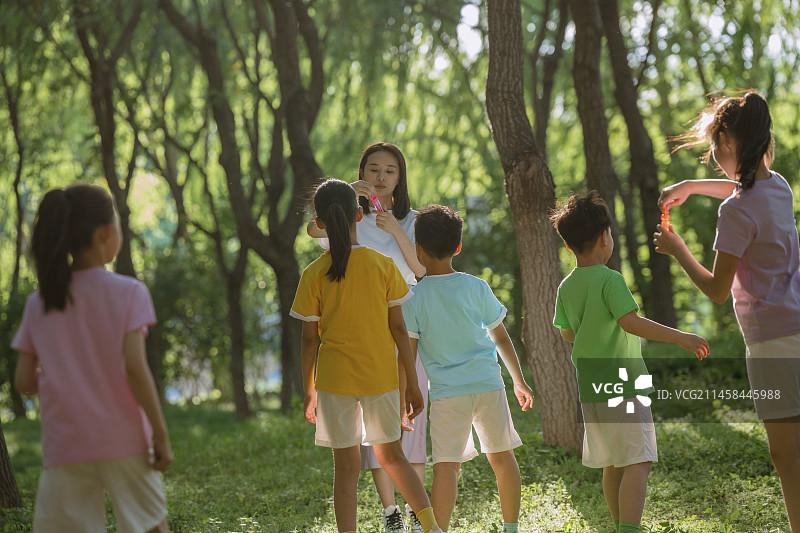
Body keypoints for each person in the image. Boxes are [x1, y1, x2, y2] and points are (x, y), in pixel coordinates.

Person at [653, 90, 800, 532]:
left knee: (785, 455)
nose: (714, 156)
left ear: (730, 143)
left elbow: (718, 290)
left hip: (772, 342)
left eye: (715, 145)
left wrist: (678, 250)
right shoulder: (778, 187)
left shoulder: (734, 212)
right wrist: (692, 187)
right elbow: (744, 186)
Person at [12, 184, 172, 533]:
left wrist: (65, 377)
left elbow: (23, 381)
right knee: (152, 528)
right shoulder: (129, 292)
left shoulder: (38, 302)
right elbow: (134, 368)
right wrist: (161, 434)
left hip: (65, 445)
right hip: (125, 439)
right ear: (105, 234)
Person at [550, 191, 709, 533]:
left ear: (568, 245)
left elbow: (566, 334)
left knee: (613, 463)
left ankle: (619, 525)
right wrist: (680, 336)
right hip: (625, 386)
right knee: (638, 460)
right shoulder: (610, 279)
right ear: (605, 238)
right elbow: (631, 322)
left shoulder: (567, 286)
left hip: (592, 389)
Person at [291, 179, 443, 533]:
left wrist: (309, 389)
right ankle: (433, 528)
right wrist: (411, 384)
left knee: (345, 469)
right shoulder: (382, 265)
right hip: (381, 378)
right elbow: (400, 331)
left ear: (321, 222)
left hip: (333, 382)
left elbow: (308, 340)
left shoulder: (313, 274)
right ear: (360, 213)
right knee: (392, 456)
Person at [400, 205, 535, 533]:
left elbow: (409, 355)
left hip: (448, 395)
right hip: (489, 385)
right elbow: (501, 337)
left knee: (447, 467)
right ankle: (512, 528)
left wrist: (408, 391)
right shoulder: (476, 286)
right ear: (458, 247)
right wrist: (519, 380)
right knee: (502, 458)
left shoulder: (414, 299)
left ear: (417, 249)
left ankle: (440, 530)